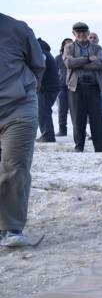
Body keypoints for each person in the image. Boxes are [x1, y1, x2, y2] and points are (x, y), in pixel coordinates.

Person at [0, 13, 45, 248]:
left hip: (18, 107)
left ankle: (11, 227)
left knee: (13, 165)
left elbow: (38, 64)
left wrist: (25, 91)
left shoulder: (17, 29)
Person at [62, 21, 102, 153]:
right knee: (78, 118)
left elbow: (100, 64)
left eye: (84, 32)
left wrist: (79, 63)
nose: (81, 34)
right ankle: (79, 147)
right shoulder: (69, 48)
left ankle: (100, 147)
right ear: (74, 34)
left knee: (97, 119)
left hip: (93, 87)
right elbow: (69, 63)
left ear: (88, 33)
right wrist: (88, 59)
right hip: (76, 87)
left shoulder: (97, 48)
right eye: (78, 32)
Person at [35, 38, 60, 143]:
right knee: (44, 110)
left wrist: (38, 82)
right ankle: (47, 134)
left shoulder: (41, 52)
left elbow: (41, 67)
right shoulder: (45, 52)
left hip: (46, 87)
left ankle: (48, 135)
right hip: (51, 87)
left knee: (43, 111)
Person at [55, 37, 72, 136]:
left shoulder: (76, 56)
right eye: (66, 44)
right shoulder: (58, 58)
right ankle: (62, 130)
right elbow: (54, 71)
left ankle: (79, 130)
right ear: (63, 46)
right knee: (62, 109)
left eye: (70, 43)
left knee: (76, 110)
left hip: (74, 87)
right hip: (62, 87)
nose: (68, 45)